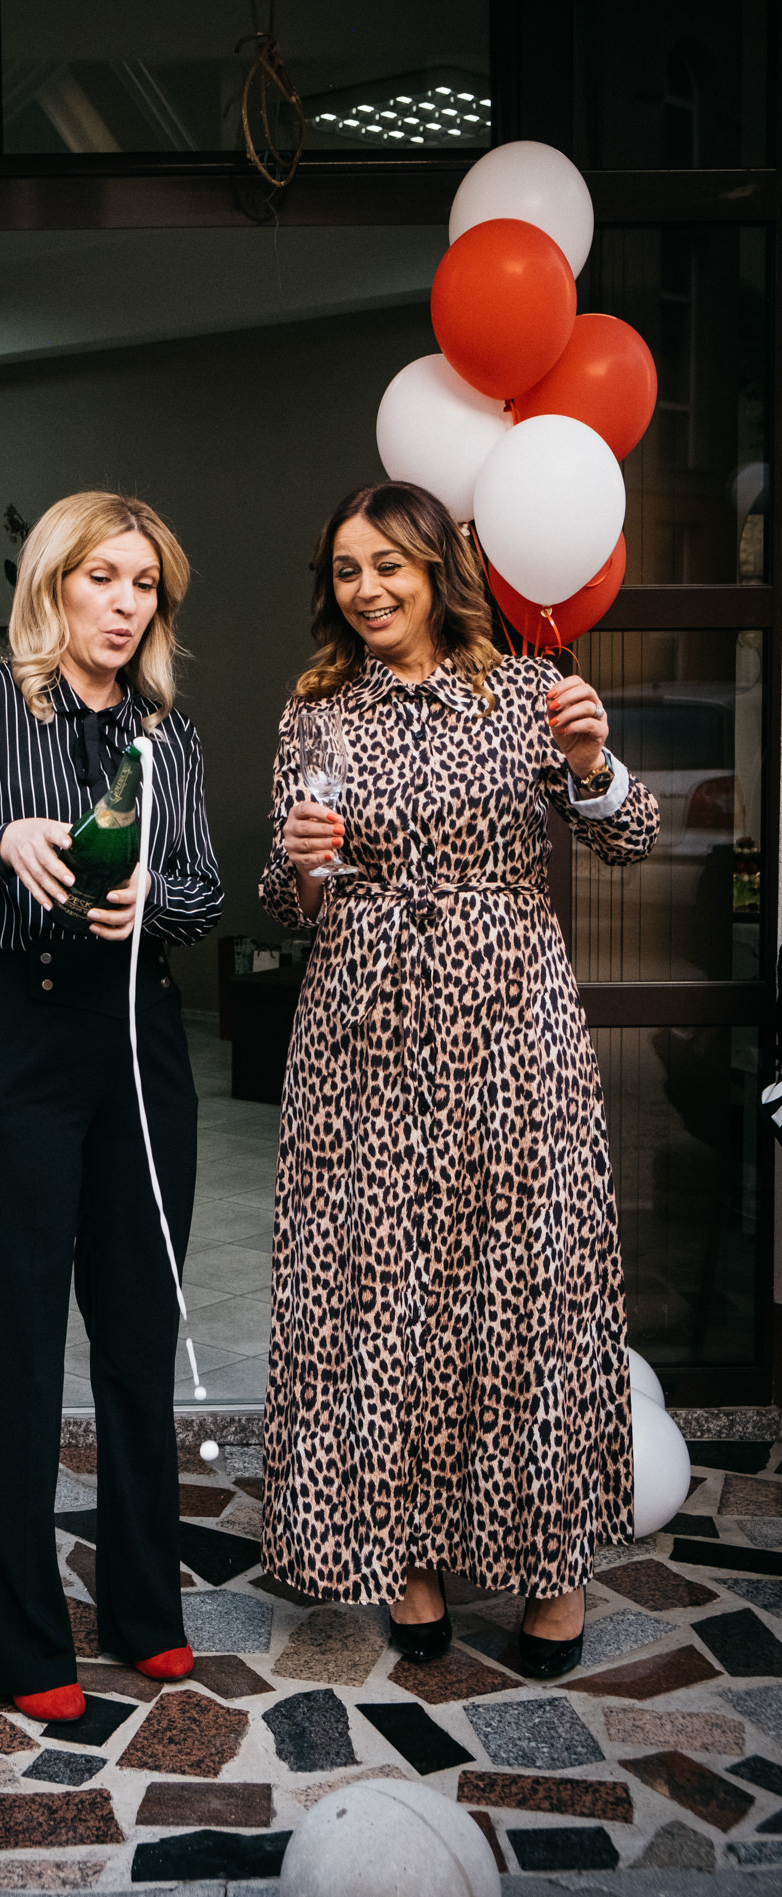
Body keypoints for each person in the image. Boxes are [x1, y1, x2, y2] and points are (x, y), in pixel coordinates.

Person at [258, 480, 659, 1680]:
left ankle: (553, 1570)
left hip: (512, 1026)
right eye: (346, 569)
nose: (367, 588)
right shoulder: (317, 711)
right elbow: (286, 900)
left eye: (388, 564)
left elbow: (632, 839)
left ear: (437, 568)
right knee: (386, 1292)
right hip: (364, 1031)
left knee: (531, 1285)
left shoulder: (528, 691)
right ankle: (414, 1558)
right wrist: (303, 864)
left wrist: (592, 762)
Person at [0, 491, 222, 1719]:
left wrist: (151, 900)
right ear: (53, 584)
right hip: (12, 1040)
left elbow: (204, 887)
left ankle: (143, 1609)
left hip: (137, 1045)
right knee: (18, 1352)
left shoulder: (167, 733)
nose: (125, 604)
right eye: (103, 577)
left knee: (135, 1336)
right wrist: (1, 842)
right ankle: (22, 1639)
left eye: (144, 584)